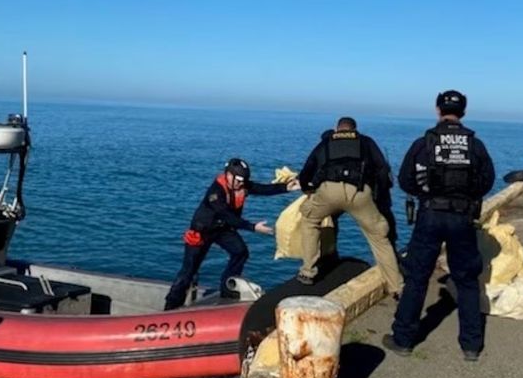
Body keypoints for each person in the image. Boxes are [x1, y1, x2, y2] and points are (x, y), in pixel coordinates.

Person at [383, 90, 495, 362]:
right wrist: (466, 197)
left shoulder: (424, 143)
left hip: (430, 215)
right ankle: (471, 345)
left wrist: (425, 194)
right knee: (467, 281)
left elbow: (406, 179)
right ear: (464, 112)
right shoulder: (474, 145)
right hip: (462, 218)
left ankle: (403, 339)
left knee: (417, 277)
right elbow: (487, 180)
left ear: (437, 109)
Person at [164, 158, 299, 310]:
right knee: (188, 271)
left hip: (222, 229)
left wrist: (286, 188)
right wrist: (252, 227)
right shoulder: (215, 193)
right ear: (228, 175)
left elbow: (262, 189)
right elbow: (227, 215)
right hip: (202, 231)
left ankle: (227, 289)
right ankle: (170, 307)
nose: (241, 183)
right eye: (239, 179)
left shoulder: (241, 184)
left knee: (240, 252)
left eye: (243, 180)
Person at [296, 117, 402, 294]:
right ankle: (396, 287)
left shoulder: (326, 143)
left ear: (336, 129)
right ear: (355, 129)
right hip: (359, 192)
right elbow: (382, 169)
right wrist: (379, 195)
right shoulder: (366, 142)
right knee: (379, 238)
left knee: (309, 220)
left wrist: (308, 190)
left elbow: (306, 171)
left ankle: (308, 271)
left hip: (328, 192)